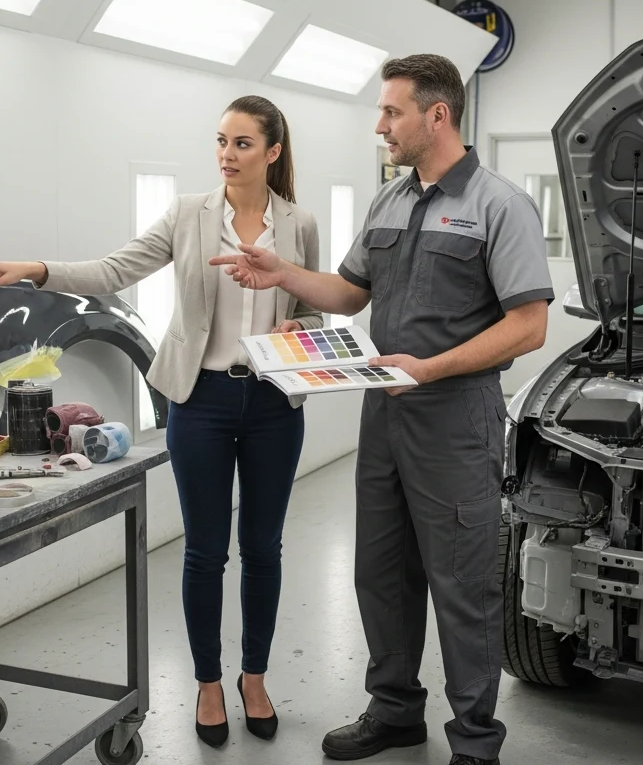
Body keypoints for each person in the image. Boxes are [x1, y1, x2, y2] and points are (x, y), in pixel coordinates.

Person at [210, 55, 553, 765]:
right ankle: (395, 710)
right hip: (384, 414)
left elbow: (529, 325)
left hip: (457, 419)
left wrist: (430, 368)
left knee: (462, 583)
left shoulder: (499, 204)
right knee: (381, 572)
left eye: (392, 112)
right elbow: (347, 291)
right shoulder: (389, 202)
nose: (380, 126)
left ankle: (476, 743)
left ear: (438, 115)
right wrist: (282, 273)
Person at [0, 95, 323, 749]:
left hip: (275, 405)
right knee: (205, 551)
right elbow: (113, 270)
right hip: (200, 401)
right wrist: (38, 271)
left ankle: (255, 676)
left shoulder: (299, 224)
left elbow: (312, 313)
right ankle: (210, 683)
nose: (226, 154)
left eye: (242, 143)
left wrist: (299, 334)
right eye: (221, 141)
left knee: (263, 549)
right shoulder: (190, 215)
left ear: (273, 151)